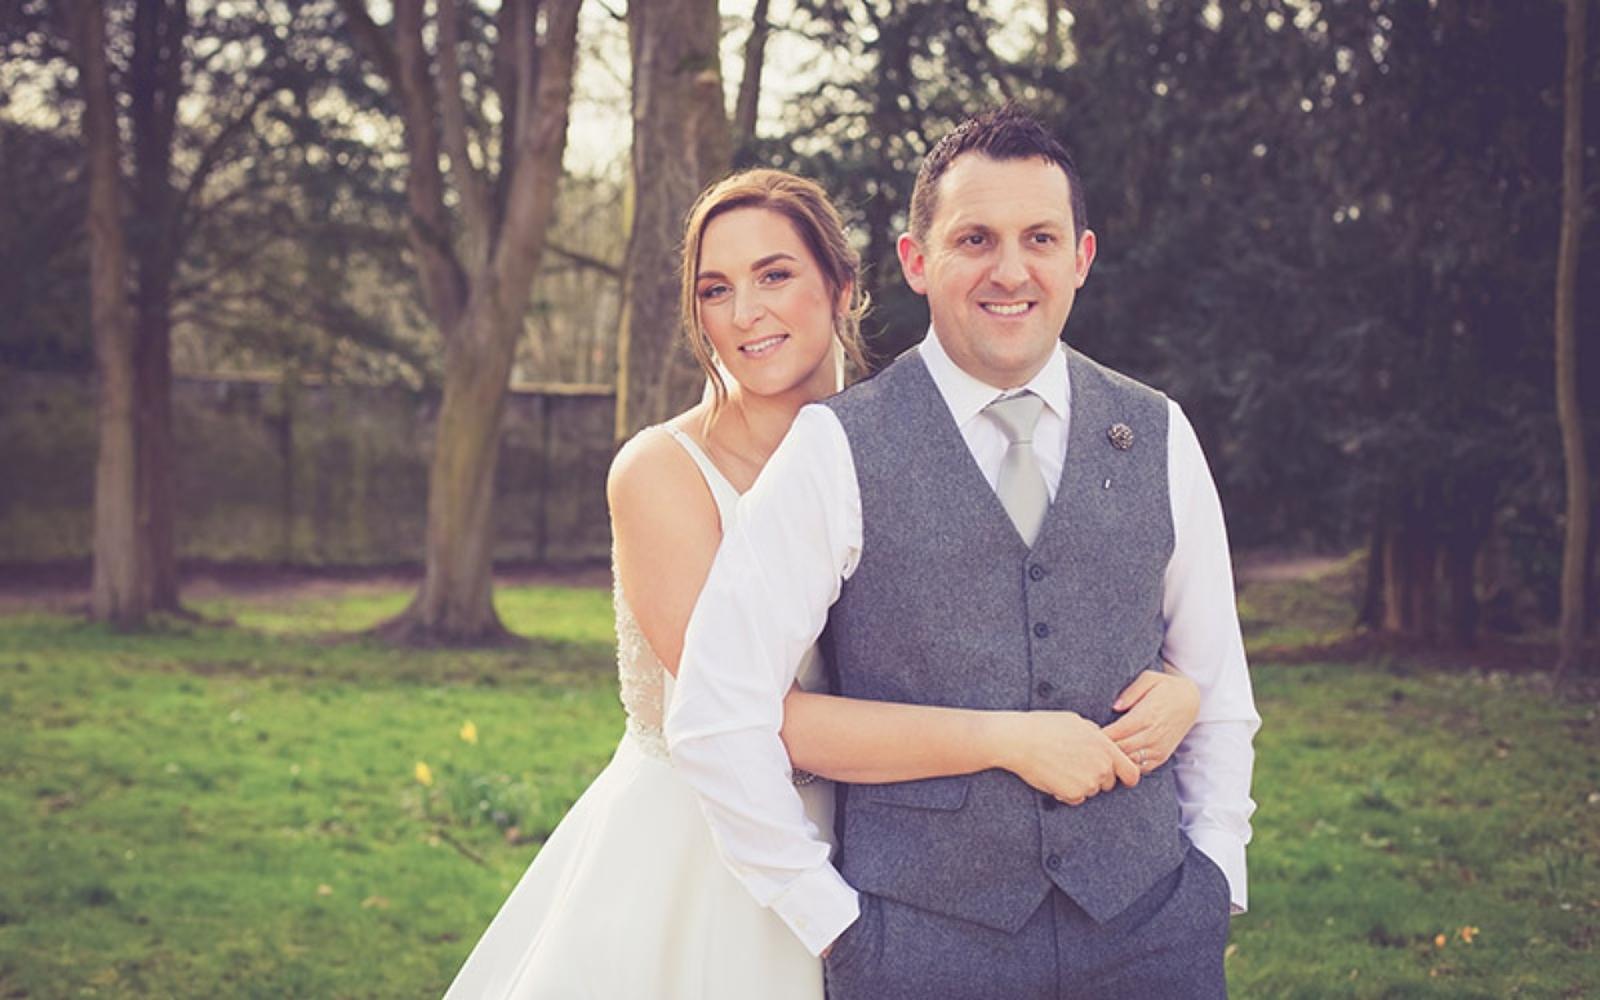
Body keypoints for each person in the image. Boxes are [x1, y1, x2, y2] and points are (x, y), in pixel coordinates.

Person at [441, 167, 1204, 1000]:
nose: (745, 313)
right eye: (716, 290)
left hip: (892, 852)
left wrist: (1178, 688)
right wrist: (1009, 739)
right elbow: (746, 719)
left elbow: (1009, 616)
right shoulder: (660, 473)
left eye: (775, 275)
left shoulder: (894, 445)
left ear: (842, 288)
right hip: (708, 853)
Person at [666, 108, 1261, 1000]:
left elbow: (1215, 688)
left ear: (1081, 258)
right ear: (917, 260)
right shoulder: (837, 447)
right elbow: (716, 712)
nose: (1011, 270)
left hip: (1151, 934)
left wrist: (1213, 879)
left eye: (1040, 239)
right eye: (975, 238)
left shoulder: (1160, 430)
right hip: (919, 948)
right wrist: (831, 924)